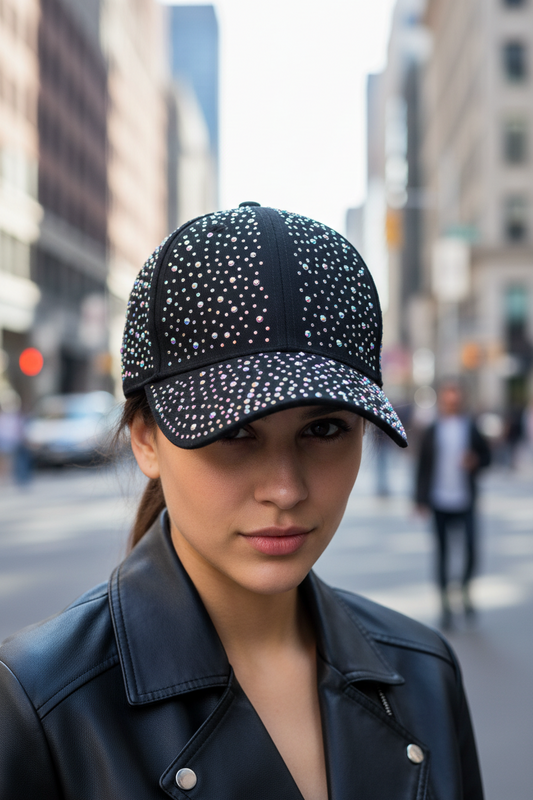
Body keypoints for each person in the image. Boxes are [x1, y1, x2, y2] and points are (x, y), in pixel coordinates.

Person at [0, 204, 483, 799]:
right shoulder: (38, 705)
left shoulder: (426, 671)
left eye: (324, 429)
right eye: (233, 432)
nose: (285, 489)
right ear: (146, 439)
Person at [415, 380, 491, 628]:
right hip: (439, 501)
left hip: (465, 501)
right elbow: (422, 466)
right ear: (442, 401)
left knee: (470, 548)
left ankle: (465, 589)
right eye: (448, 400)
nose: (452, 404)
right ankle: (445, 605)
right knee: (443, 553)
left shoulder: (471, 427)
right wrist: (419, 500)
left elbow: (487, 457)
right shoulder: (433, 430)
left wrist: (475, 461)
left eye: (456, 400)